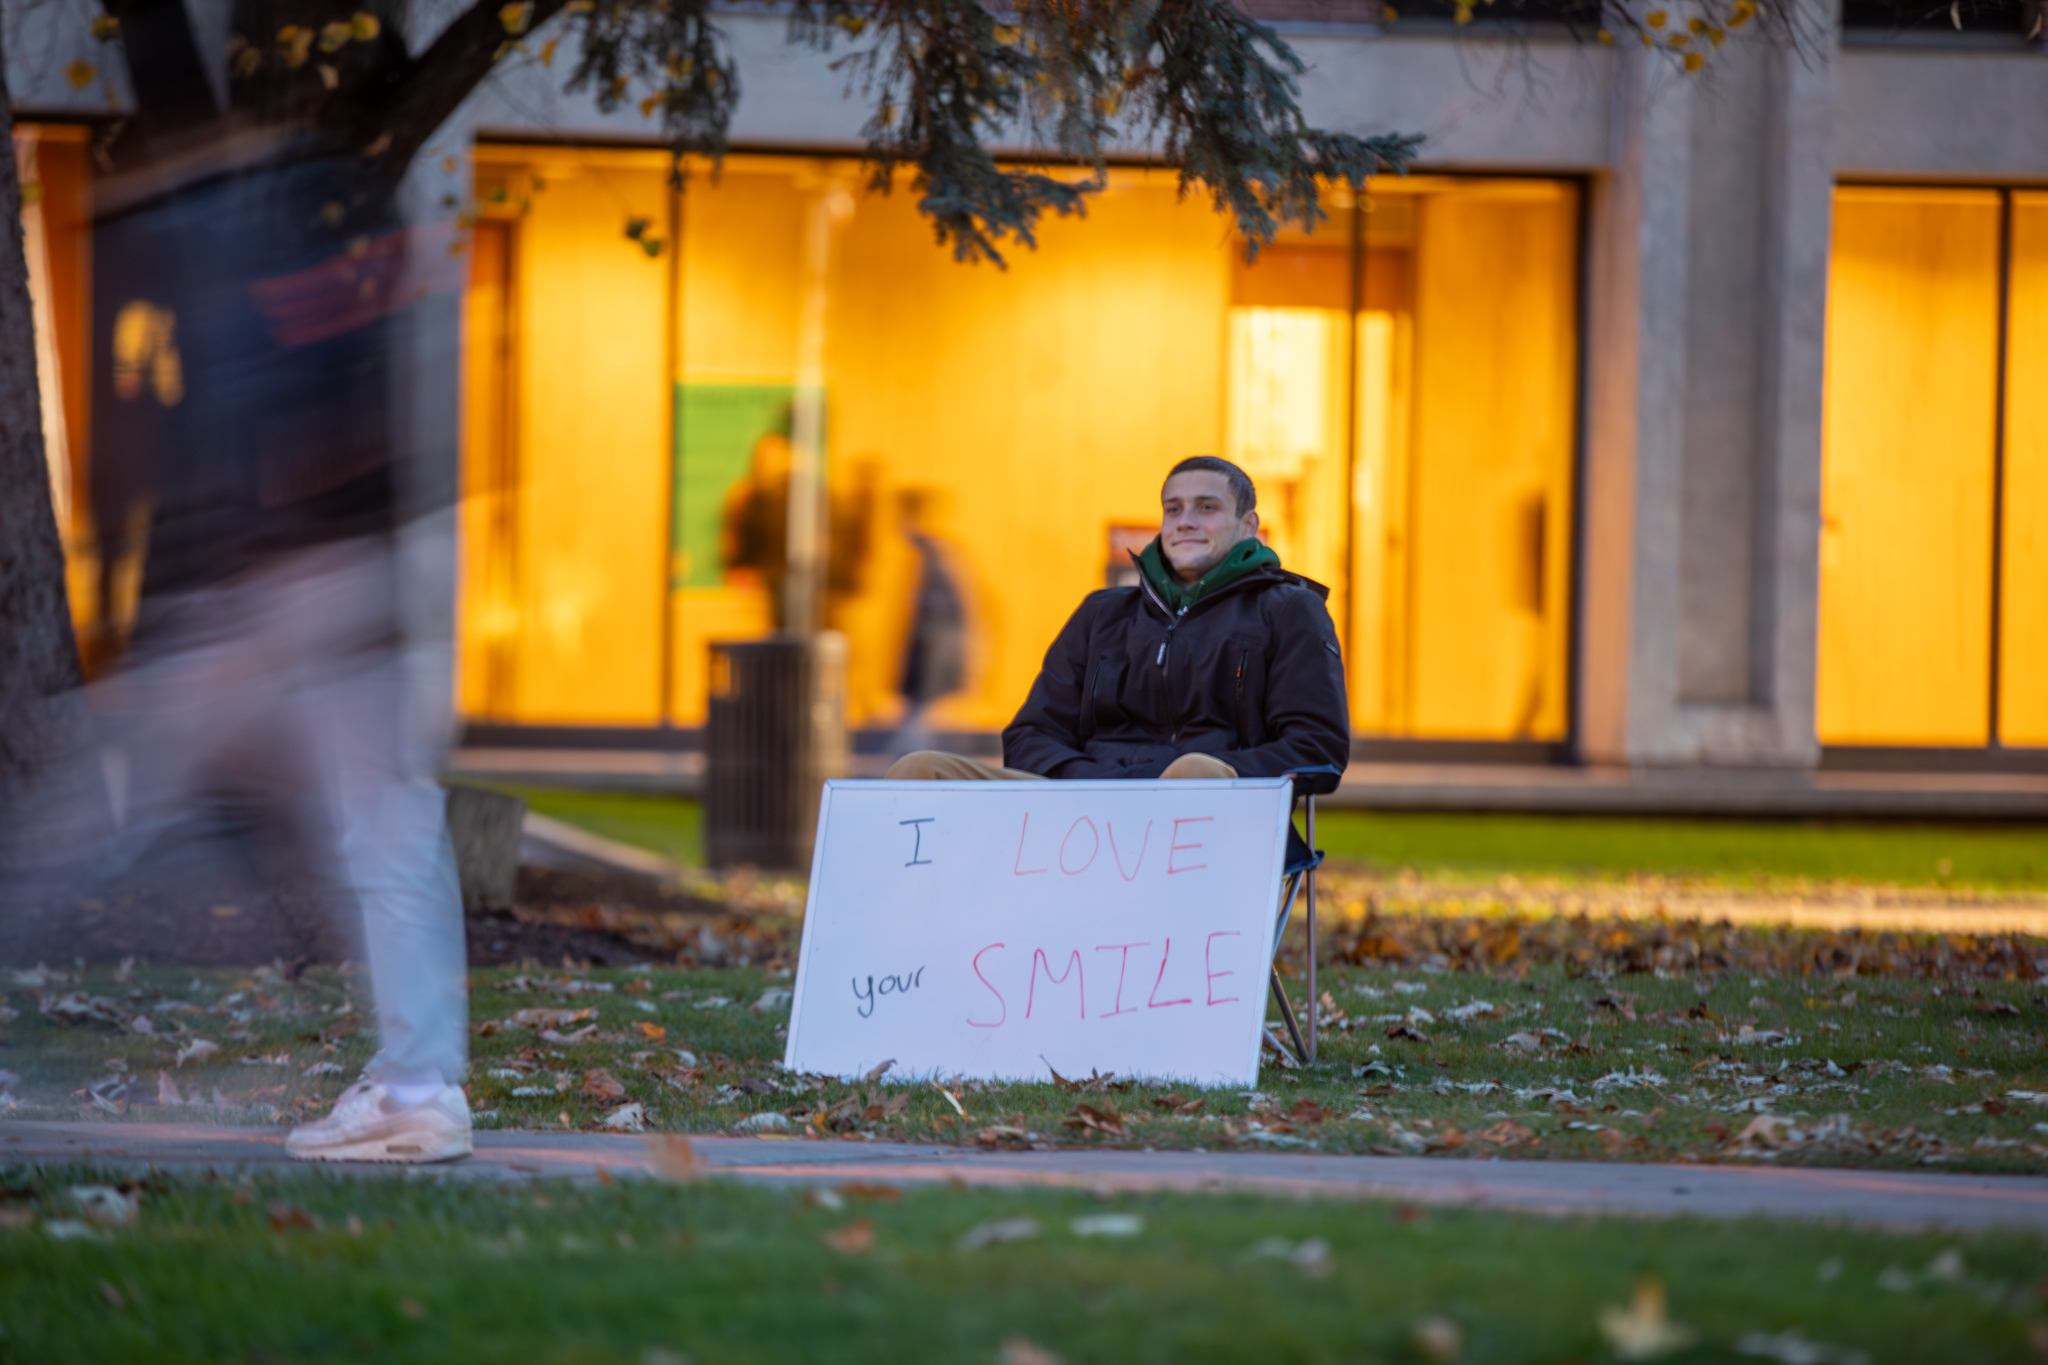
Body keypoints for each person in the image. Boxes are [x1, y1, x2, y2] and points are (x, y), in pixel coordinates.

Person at [886, 456, 1349, 782]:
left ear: (1248, 526)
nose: (1185, 521)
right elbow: (1031, 734)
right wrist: (1090, 784)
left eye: (1206, 507)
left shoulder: (1288, 610)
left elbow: (1317, 748)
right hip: (1082, 815)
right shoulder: (1102, 613)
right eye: (1173, 509)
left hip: (1213, 819)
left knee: (1197, 772)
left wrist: (1204, 773)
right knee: (919, 769)